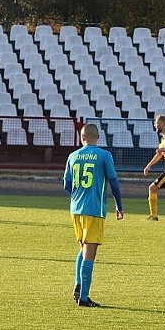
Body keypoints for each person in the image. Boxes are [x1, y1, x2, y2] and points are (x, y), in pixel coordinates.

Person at [63, 123, 124, 308]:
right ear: (98, 137)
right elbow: (114, 183)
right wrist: (119, 205)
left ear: (82, 137)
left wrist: (77, 196)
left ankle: (78, 284)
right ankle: (83, 297)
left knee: (83, 248)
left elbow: (66, 184)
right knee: (90, 252)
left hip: (76, 208)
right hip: (94, 209)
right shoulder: (104, 155)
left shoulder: (73, 156)